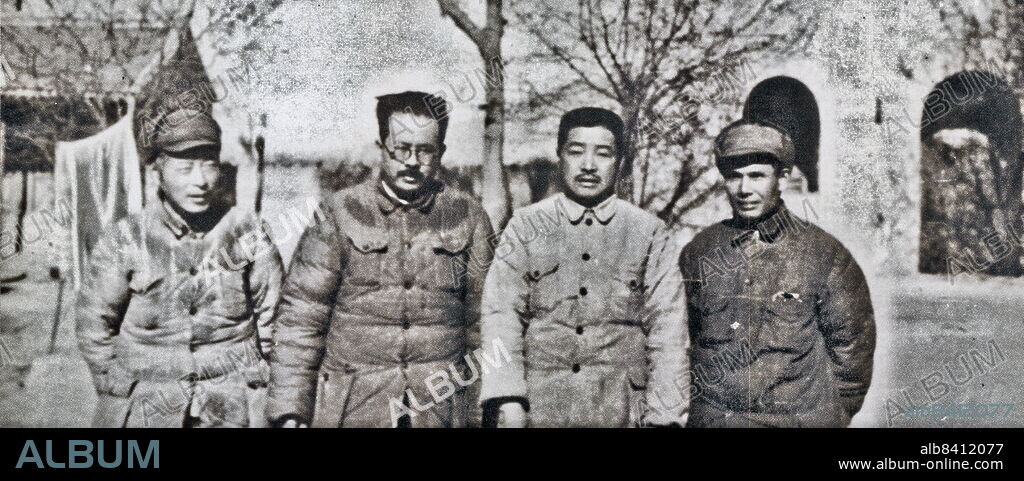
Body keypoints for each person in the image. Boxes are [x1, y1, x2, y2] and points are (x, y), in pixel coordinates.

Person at [267, 91, 494, 428]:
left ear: (441, 153)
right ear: (381, 148)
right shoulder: (338, 213)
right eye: (401, 148)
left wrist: (485, 410)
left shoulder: (468, 217)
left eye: (425, 150)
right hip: (354, 408)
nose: (412, 161)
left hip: (441, 410)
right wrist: (290, 411)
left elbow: (485, 324)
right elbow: (302, 317)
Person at [479, 107, 689, 428]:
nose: (589, 165)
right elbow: (501, 315)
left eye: (603, 154)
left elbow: (669, 331)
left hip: (621, 410)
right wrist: (507, 396)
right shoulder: (525, 225)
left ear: (619, 161)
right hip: (541, 408)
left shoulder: (649, 232)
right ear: (560, 155)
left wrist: (665, 416)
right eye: (576, 152)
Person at [77, 108, 284, 428]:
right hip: (147, 404)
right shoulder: (126, 238)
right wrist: (118, 389)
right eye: (185, 168)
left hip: (231, 402)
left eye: (209, 165)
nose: (200, 181)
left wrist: (261, 381)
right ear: (158, 171)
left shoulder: (247, 232)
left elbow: (276, 317)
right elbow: (94, 324)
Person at [680, 119, 876, 427]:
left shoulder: (824, 253)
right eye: (734, 177)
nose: (744, 189)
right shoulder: (700, 251)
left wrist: (830, 417)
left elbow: (852, 350)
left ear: (782, 178)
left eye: (757, 176)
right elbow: (681, 340)